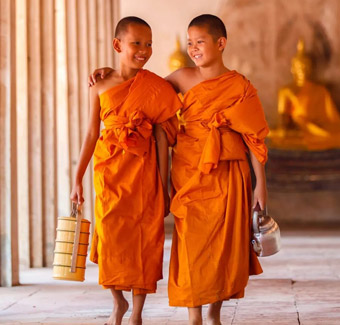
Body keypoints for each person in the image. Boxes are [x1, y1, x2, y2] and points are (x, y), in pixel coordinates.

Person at [89, 14, 269, 325]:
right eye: (190, 43)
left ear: (220, 43)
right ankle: (194, 314)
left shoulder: (240, 86)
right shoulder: (181, 78)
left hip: (228, 171)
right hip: (189, 171)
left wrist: (261, 185)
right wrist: (109, 73)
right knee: (190, 244)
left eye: (200, 42)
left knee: (224, 247)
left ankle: (213, 313)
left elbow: (253, 137)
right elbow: (141, 86)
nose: (194, 48)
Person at [71, 16, 182, 325]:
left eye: (148, 44)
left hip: (144, 172)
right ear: (118, 45)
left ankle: (136, 312)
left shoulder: (156, 87)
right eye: (136, 43)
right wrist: (77, 178)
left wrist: (164, 184)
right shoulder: (100, 84)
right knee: (110, 238)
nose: (144, 50)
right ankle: (117, 302)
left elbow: (162, 139)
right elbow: (91, 133)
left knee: (145, 240)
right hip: (109, 173)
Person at [268, 39, 340, 150]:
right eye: (299, 67)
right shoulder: (286, 91)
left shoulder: (320, 90)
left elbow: (331, 118)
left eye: (306, 67)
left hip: (318, 128)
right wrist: (284, 128)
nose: (303, 70)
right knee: (280, 136)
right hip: (298, 130)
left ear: (311, 69)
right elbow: (283, 119)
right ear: (293, 69)